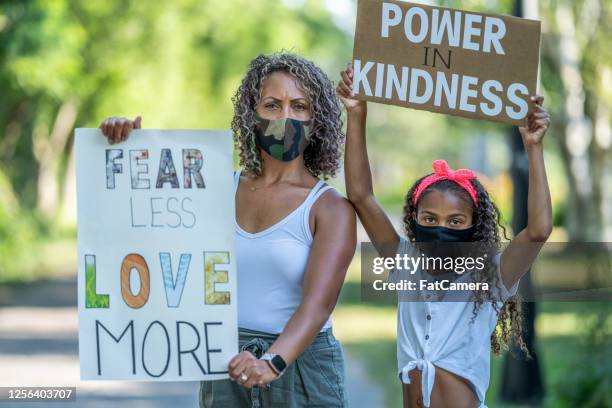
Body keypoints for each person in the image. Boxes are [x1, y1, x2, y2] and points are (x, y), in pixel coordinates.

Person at [99, 53, 356, 408]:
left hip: (300, 365)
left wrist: (272, 362)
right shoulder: (214, 187)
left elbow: (317, 306)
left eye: (299, 106)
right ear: (252, 114)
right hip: (224, 358)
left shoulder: (330, 208)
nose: (285, 117)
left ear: (318, 119)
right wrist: (129, 151)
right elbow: (156, 240)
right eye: (272, 104)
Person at [336, 64, 552, 408]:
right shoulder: (406, 262)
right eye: (429, 218)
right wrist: (357, 113)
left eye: (456, 221)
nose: (441, 228)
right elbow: (361, 195)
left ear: (474, 227)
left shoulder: (490, 278)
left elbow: (538, 231)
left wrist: (534, 148)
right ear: (414, 221)